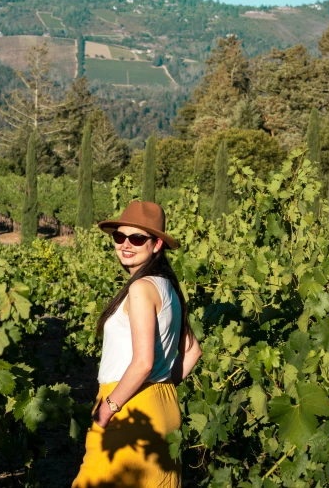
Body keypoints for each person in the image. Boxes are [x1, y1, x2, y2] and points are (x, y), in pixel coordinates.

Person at [72, 200, 202, 488]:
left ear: (156, 245)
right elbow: (193, 351)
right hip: (162, 405)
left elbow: (142, 363)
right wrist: (162, 384)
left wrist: (107, 409)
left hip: (128, 407)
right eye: (120, 236)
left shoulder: (142, 288)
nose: (126, 244)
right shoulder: (167, 286)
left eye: (137, 238)